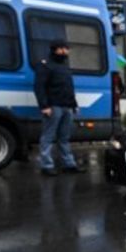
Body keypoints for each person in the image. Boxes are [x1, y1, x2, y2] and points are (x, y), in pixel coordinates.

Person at [33, 40, 81, 176]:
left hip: (67, 106)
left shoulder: (65, 67)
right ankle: (46, 166)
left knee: (64, 137)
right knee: (48, 136)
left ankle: (69, 164)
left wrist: (74, 104)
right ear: (55, 50)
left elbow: (69, 88)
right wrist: (44, 106)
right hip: (53, 106)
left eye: (67, 49)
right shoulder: (46, 66)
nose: (66, 52)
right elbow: (39, 87)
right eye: (63, 49)